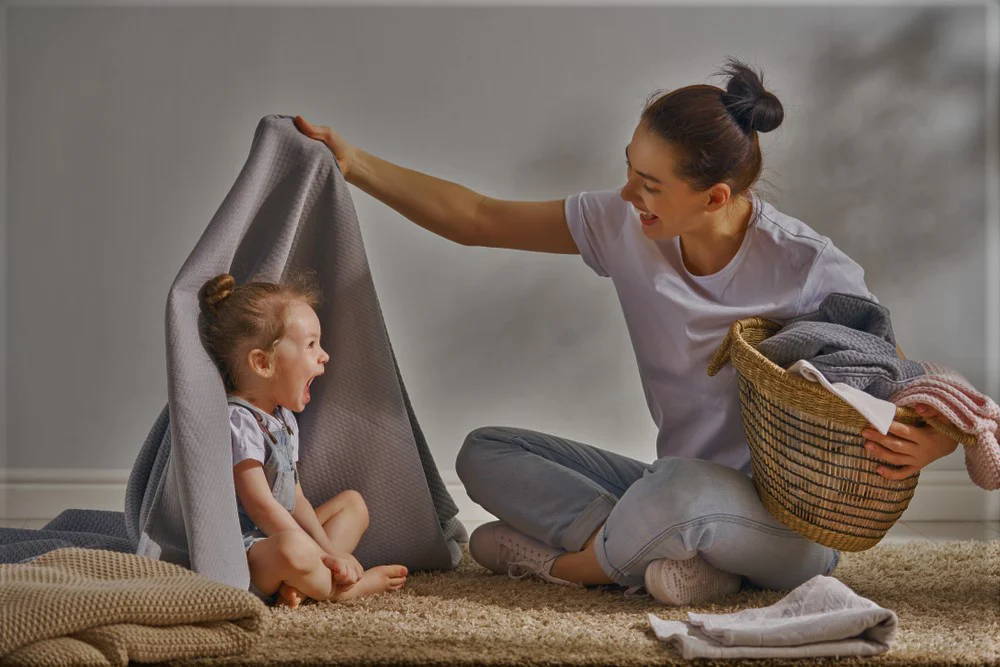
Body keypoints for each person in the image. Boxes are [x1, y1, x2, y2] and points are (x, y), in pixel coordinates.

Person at [293, 57, 959, 605]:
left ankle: (574, 566)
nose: (627, 194)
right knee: (482, 452)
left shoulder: (807, 264)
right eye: (629, 170)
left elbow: (899, 377)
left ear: (715, 198)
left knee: (676, 495)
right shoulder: (626, 227)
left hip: (788, 526)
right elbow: (480, 218)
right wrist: (354, 165)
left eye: (649, 184)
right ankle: (681, 559)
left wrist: (932, 444)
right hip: (673, 484)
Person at [198, 271, 408, 607]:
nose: (324, 355)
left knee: (353, 504)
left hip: (282, 533)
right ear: (263, 363)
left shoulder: (284, 420)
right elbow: (260, 505)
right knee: (293, 549)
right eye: (311, 345)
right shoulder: (239, 421)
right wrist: (313, 549)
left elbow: (295, 498)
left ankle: (303, 583)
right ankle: (346, 590)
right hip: (252, 552)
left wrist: (328, 548)